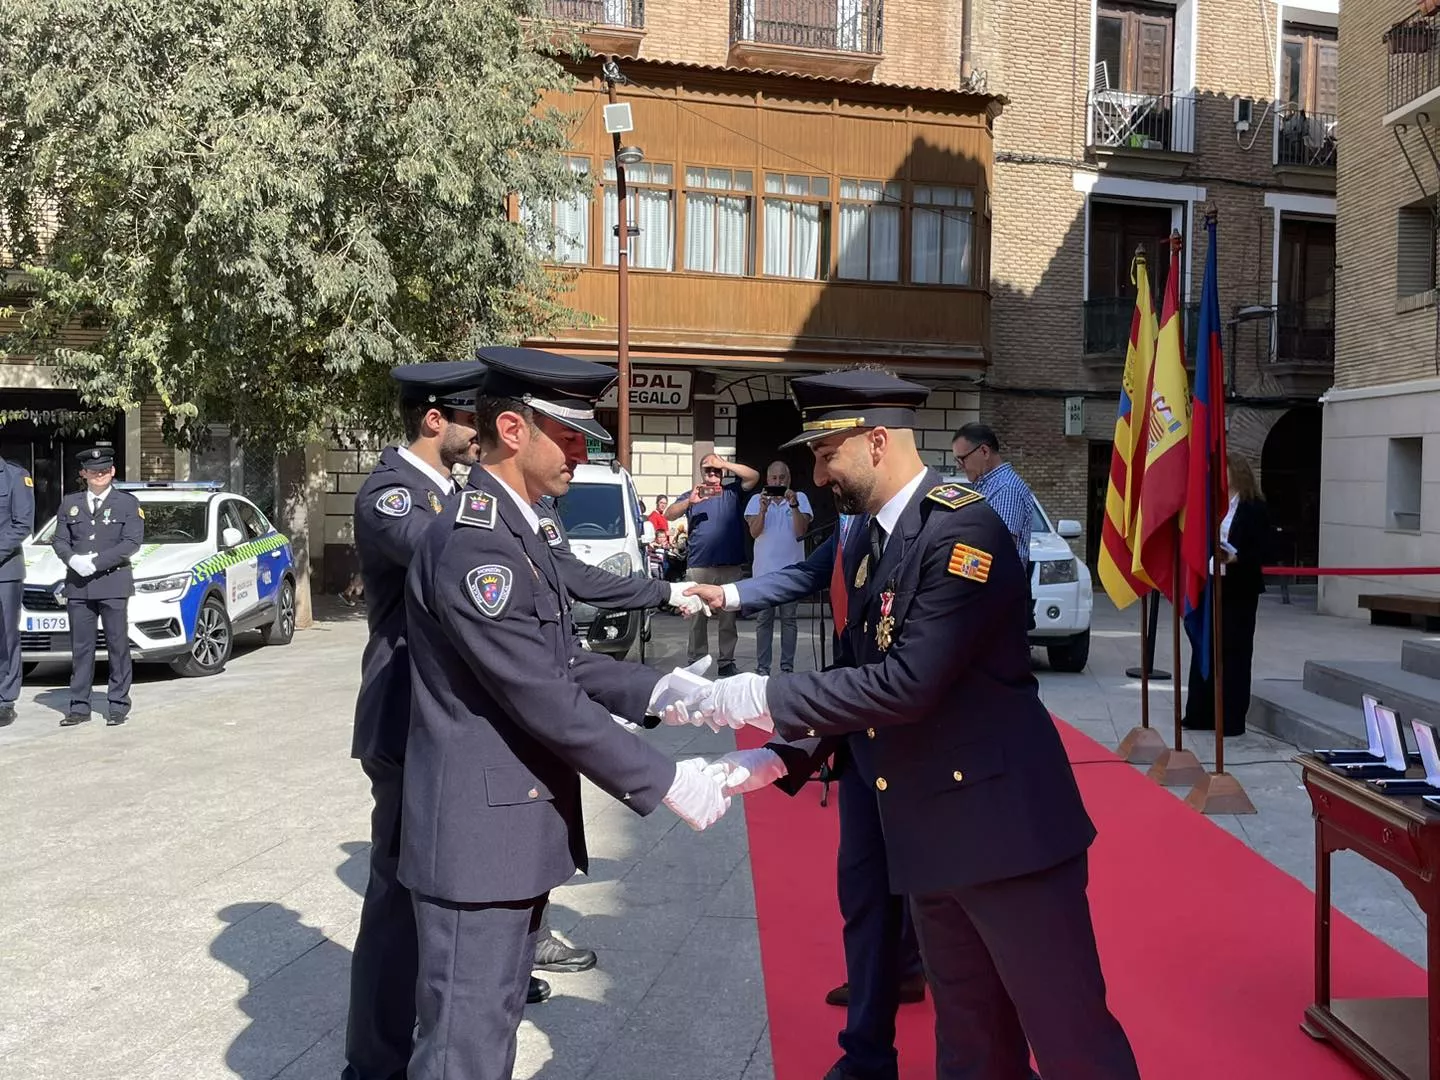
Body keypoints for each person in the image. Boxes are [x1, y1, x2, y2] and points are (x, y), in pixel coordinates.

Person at [687, 368, 1139, 1080]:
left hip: (1004, 835)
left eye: (826, 452)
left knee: (1072, 1042)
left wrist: (754, 696)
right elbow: (857, 673)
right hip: (929, 833)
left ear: (875, 443)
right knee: (970, 1045)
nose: (817, 471)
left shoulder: (963, 527)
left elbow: (909, 683)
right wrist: (781, 756)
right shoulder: (872, 540)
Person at [401, 347, 730, 1080]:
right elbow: (537, 692)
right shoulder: (474, 543)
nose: (583, 456)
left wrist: (658, 693)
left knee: (491, 1029)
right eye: (573, 438)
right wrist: (664, 781)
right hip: (477, 841)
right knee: (463, 1045)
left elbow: (561, 661)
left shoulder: (519, 526)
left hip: (511, 829)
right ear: (514, 430)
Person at [345, 361, 495, 1080]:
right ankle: (372, 1065)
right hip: (405, 710)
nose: (480, 435)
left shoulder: (449, 491)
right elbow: (446, 557)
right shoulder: (391, 493)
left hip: (442, 714)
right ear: (434, 420)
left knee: (433, 888)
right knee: (397, 899)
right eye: (472, 421)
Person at [52, 445, 143, 728]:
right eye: (93, 471)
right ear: (84, 474)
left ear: (113, 471)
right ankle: (79, 706)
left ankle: (117, 704)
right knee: (81, 649)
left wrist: (98, 562)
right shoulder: (70, 503)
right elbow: (59, 540)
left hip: (113, 583)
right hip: (79, 586)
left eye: (104, 470)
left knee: (117, 646)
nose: (99, 475)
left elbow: (131, 542)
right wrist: (73, 560)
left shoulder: (127, 503)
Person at [1183, 451, 1271, 737]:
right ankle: (1200, 713)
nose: (1220, 476)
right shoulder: (1215, 504)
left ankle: (1232, 719)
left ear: (1239, 473)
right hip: (1211, 585)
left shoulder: (1254, 507)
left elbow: (1263, 550)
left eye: (1225, 470)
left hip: (1239, 589)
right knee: (1206, 646)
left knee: (1235, 652)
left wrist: (1235, 558)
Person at [666, 453, 759, 676]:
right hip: (699, 565)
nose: (713, 474)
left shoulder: (732, 492)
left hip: (730, 565)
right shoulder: (692, 495)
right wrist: (690, 501)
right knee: (697, 617)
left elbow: (754, 476)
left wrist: (724, 463)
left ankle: (726, 662)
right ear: (701, 473)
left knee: (728, 619)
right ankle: (695, 661)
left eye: (716, 470)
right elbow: (669, 514)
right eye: (708, 470)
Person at [744, 463, 812, 675]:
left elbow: (801, 531)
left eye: (782, 478)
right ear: (767, 479)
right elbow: (754, 533)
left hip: (792, 572)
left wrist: (793, 506)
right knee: (763, 621)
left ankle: (786, 668)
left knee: (789, 621)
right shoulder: (756, 500)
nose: (778, 482)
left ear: (789, 479)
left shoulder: (800, 498)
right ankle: (763, 669)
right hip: (764, 573)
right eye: (774, 478)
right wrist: (763, 510)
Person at [0, 453, 35, 727]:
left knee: (6, 637)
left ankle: (5, 699)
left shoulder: (15, 476)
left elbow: (22, 524)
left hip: (4, 573)